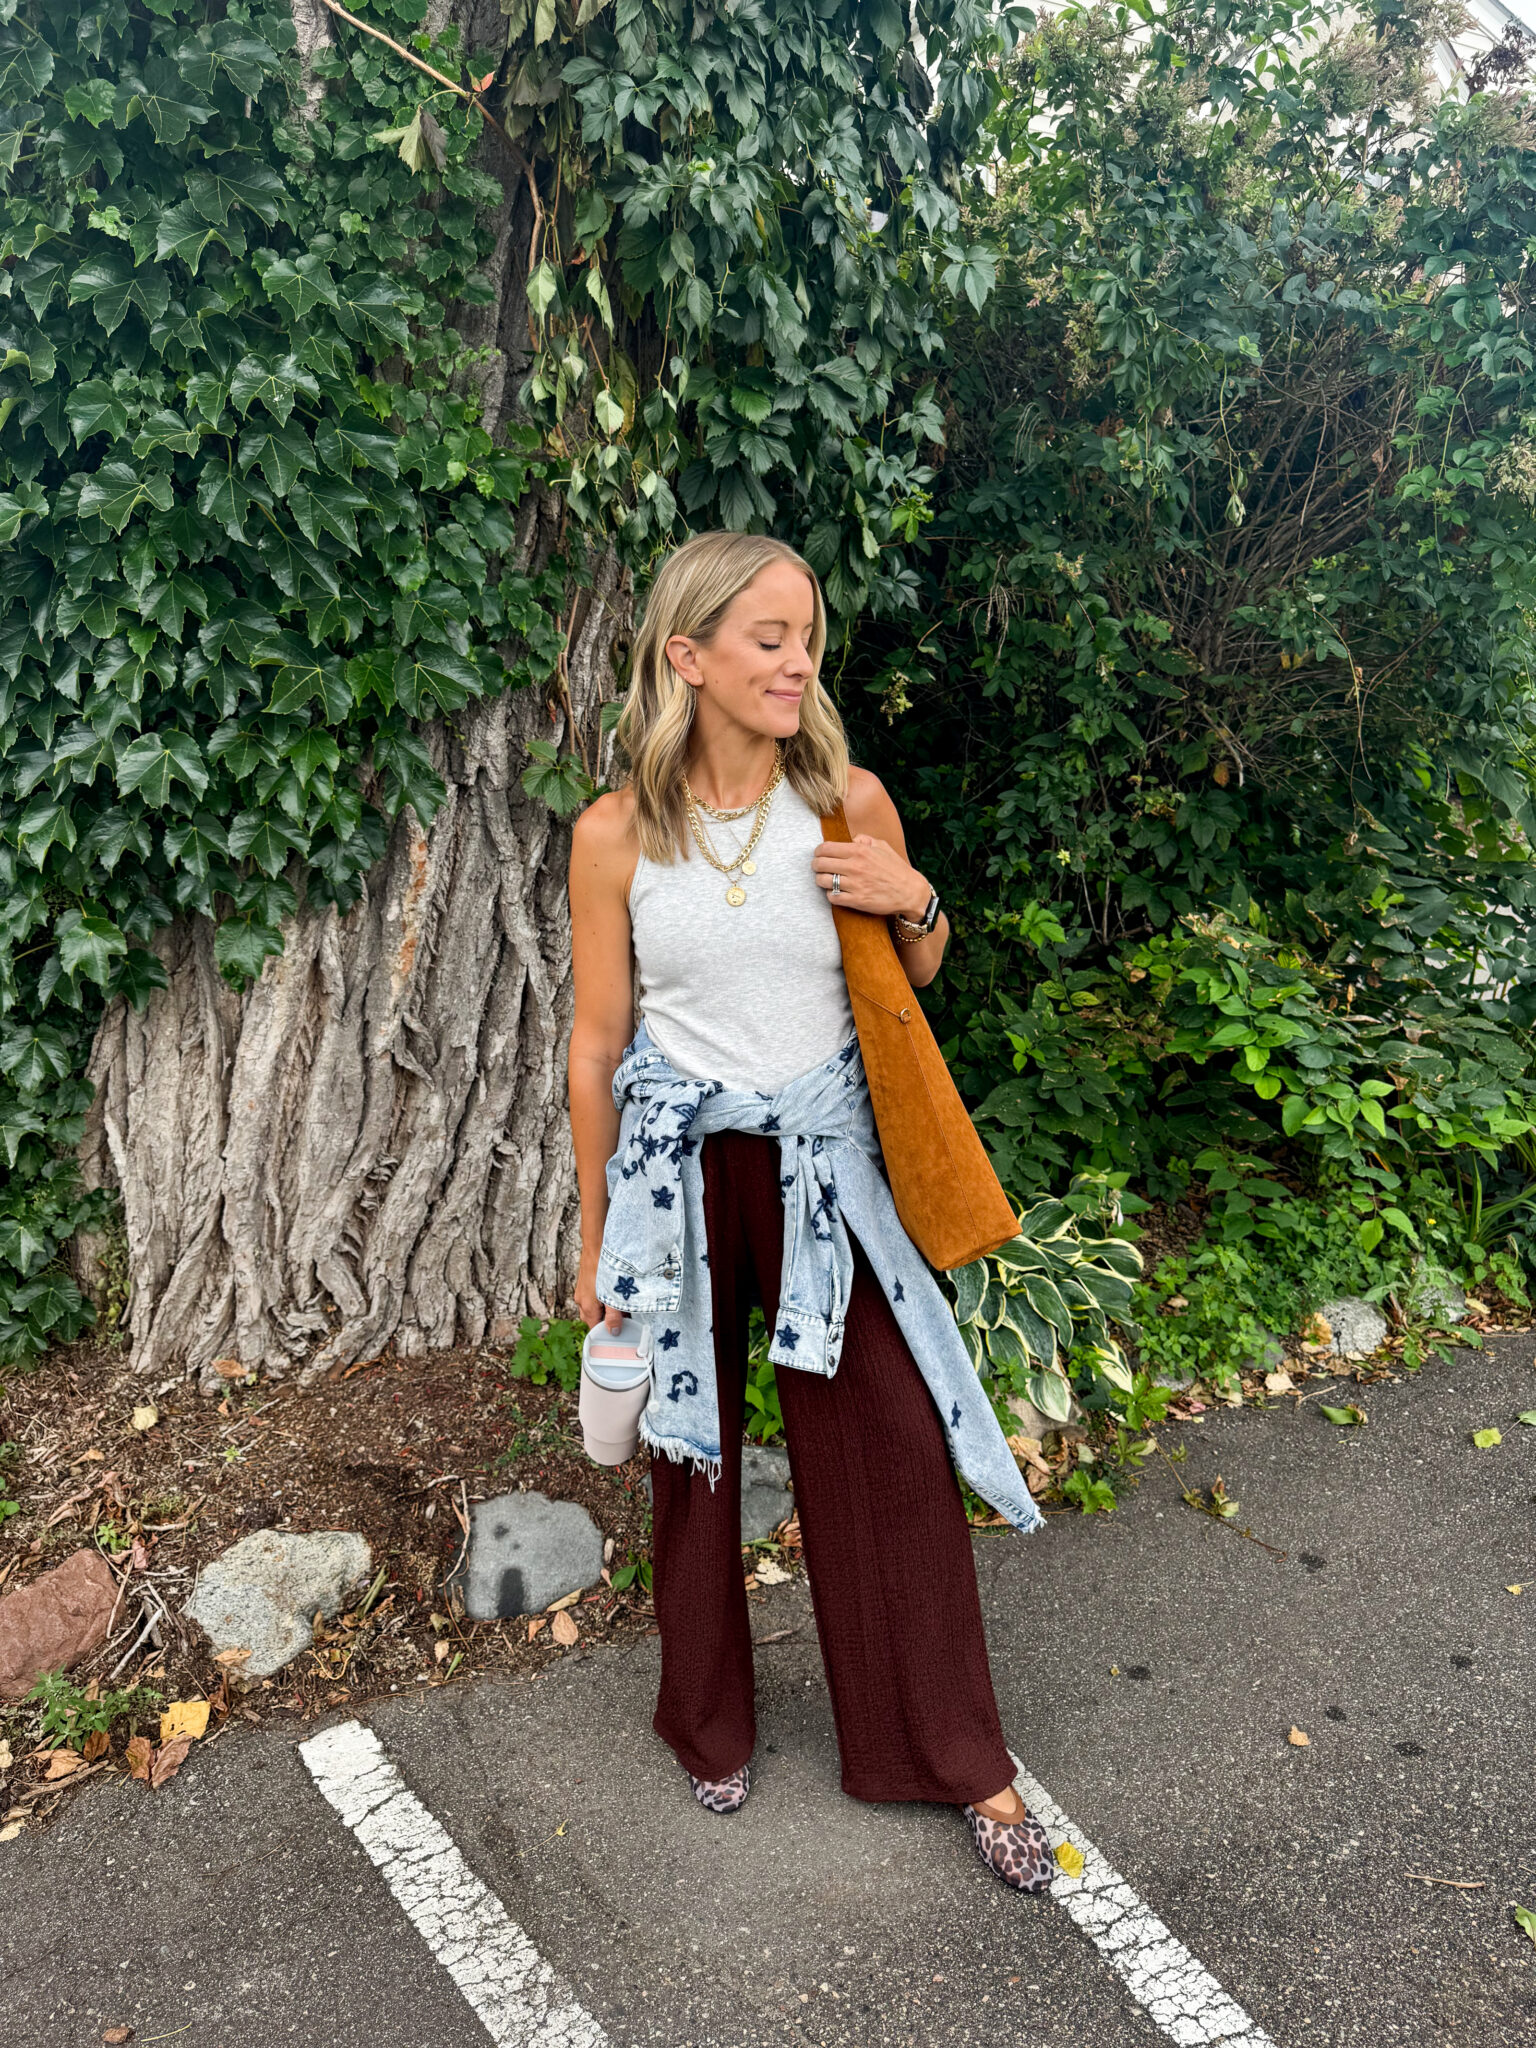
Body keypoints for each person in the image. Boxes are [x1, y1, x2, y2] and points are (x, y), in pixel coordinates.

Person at [566, 530, 1053, 1891]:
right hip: (678, 1173)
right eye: (767, 637)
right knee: (691, 1448)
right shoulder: (614, 836)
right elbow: (596, 1043)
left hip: (823, 1163)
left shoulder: (848, 803)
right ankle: (706, 1720)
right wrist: (598, 1231)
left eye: (808, 639)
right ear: (689, 658)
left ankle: (954, 1756)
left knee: (890, 1443)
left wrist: (920, 899)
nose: (797, 661)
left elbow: (917, 972)